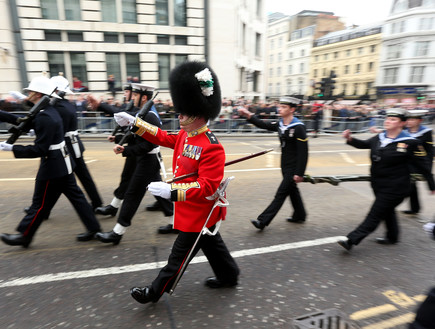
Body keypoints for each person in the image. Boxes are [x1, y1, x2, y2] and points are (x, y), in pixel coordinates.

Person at [114, 61, 239, 304]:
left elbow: (207, 187)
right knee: (212, 244)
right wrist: (135, 124)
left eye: (184, 112)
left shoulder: (211, 147)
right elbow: (162, 136)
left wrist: (172, 191)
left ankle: (153, 292)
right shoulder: (186, 133)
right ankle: (230, 275)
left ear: (198, 113)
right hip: (195, 212)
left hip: (199, 212)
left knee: (178, 257)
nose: (179, 115)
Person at [0, 75, 102, 248]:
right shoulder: (49, 111)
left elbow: (39, 149)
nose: (29, 94)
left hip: (53, 165)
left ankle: (25, 235)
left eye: (32, 91)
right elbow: (27, 122)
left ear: (39, 94)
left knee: (39, 203)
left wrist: (13, 149)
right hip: (63, 162)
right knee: (76, 197)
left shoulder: (45, 116)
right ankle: (93, 228)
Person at [337, 108, 435, 251]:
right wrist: (350, 139)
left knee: (375, 214)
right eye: (388, 118)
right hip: (378, 183)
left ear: (402, 123)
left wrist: (431, 185)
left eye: (393, 119)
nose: (388, 121)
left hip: (397, 186)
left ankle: (352, 240)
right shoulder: (380, 137)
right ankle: (392, 236)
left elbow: (424, 165)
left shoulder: (410, 142)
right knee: (386, 211)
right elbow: (364, 144)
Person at [95, 83, 173, 245]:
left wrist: (125, 151)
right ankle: (176, 222)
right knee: (159, 191)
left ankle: (118, 232)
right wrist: (118, 140)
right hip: (146, 160)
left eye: (135, 95)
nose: (132, 97)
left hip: (148, 160)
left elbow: (149, 145)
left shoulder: (150, 116)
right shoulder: (142, 114)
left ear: (144, 97)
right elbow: (136, 136)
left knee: (132, 195)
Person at [238, 96, 308, 230]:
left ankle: (263, 221)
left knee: (281, 193)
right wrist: (248, 115)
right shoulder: (281, 124)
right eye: (280, 106)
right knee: (292, 190)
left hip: (294, 166)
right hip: (285, 164)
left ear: (292, 110)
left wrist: (300, 173)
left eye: (284, 107)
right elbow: (263, 125)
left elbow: (303, 153)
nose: (279, 109)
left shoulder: (298, 127)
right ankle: (300, 215)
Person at [402, 110, 433, 215]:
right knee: (411, 186)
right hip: (406, 162)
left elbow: (429, 149)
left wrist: (428, 164)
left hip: (419, 162)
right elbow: (400, 146)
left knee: (410, 185)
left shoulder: (426, 132)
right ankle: (415, 208)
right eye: (408, 119)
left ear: (420, 120)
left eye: (412, 119)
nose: (409, 121)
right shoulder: (403, 131)